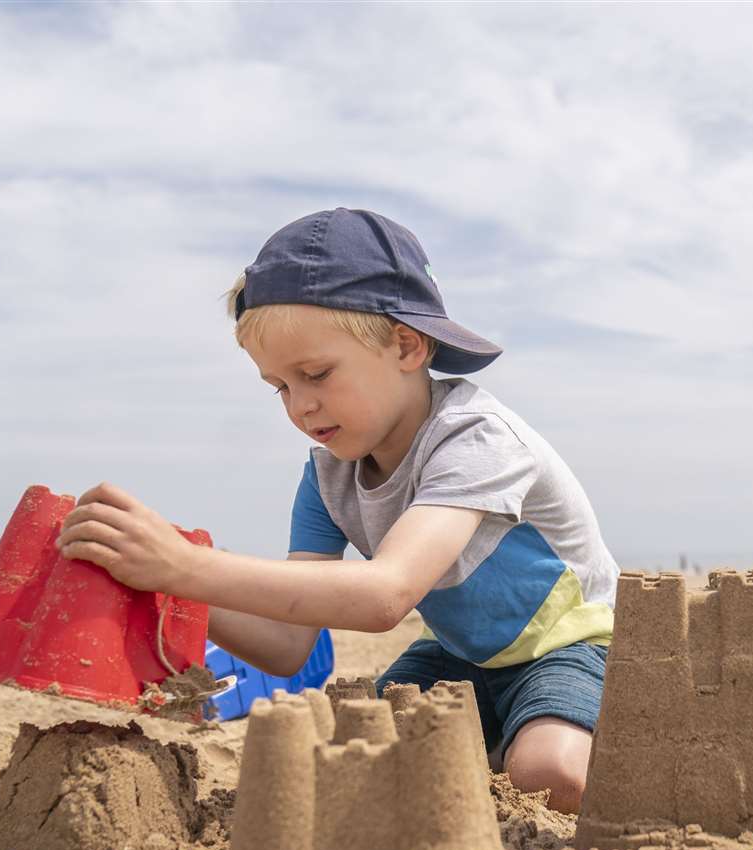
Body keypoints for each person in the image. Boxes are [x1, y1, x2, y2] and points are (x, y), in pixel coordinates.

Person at [56, 208, 619, 812]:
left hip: (573, 648)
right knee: (334, 754)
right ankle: (494, 743)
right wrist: (166, 588)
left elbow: (386, 595)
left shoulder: (475, 438)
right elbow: (285, 644)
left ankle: (574, 734)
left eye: (316, 373)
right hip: (465, 657)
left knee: (546, 773)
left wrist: (185, 565)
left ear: (406, 344)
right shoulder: (328, 476)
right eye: (280, 387)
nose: (300, 406)